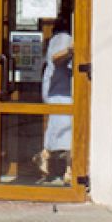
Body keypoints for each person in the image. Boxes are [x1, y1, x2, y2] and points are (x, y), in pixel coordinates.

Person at [37, 15, 73, 182]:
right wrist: (72, 50)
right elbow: (56, 58)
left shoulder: (55, 39)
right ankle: (68, 169)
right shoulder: (64, 37)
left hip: (58, 91)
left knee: (60, 128)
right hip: (61, 93)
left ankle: (46, 156)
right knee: (67, 129)